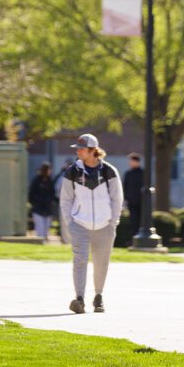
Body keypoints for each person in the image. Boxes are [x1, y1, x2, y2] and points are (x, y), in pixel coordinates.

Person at [59, 133, 123, 314]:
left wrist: (113, 221)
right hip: (79, 223)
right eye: (77, 148)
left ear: (93, 150)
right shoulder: (72, 171)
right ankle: (79, 298)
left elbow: (117, 198)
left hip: (105, 225)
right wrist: (70, 222)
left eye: (82, 148)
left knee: (101, 262)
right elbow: (65, 200)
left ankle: (98, 296)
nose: (78, 151)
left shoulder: (109, 171)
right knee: (80, 261)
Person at [28, 162, 56, 243]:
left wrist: (49, 200)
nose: (50, 171)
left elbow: (52, 193)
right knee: (40, 228)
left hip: (47, 208)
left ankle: (44, 241)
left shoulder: (50, 181)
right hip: (38, 208)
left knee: (46, 227)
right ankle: (40, 242)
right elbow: (31, 194)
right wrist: (38, 201)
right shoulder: (36, 180)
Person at [53, 159, 74, 244]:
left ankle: (70, 242)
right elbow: (57, 190)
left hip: (74, 203)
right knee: (65, 223)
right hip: (65, 203)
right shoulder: (62, 176)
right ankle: (67, 242)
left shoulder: (75, 176)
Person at [123, 152, 143, 236]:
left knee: (140, 221)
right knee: (132, 222)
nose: (130, 163)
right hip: (131, 202)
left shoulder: (143, 173)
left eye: (132, 161)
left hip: (141, 203)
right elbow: (125, 187)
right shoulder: (128, 173)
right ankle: (132, 238)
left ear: (137, 162)